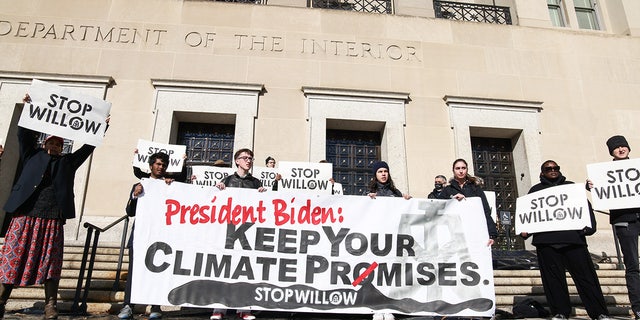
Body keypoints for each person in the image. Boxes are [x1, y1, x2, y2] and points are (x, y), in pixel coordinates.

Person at [0, 96, 108, 320]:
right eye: (52, 142)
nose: (55, 146)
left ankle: (51, 305)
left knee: (50, 263)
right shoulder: (32, 154)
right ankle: (1, 300)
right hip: (25, 214)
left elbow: (87, 149)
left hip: (51, 218)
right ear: (45, 143)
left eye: (59, 144)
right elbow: (23, 135)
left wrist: (101, 127)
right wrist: (29, 109)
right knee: (13, 257)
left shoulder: (67, 162)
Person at [521, 160, 610, 320]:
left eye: (556, 168)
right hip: (547, 243)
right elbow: (529, 213)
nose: (553, 170)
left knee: (587, 279)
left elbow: (586, 207)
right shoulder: (535, 191)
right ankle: (560, 312)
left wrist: (590, 227)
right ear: (542, 172)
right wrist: (524, 230)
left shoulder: (571, 187)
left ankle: (599, 313)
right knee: (553, 281)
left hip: (574, 241)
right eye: (549, 168)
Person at [119, 152, 186, 319]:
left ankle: (155, 307)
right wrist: (135, 195)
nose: (161, 167)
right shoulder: (139, 184)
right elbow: (130, 212)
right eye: (158, 164)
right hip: (140, 237)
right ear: (150, 166)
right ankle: (128, 305)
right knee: (135, 272)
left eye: (163, 165)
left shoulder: (170, 185)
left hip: (162, 238)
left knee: (158, 272)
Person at [588, 135, 640, 318]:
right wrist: (591, 186)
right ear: (612, 152)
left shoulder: (637, 167)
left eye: (623, 146)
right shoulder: (603, 173)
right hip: (624, 221)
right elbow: (602, 190)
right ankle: (638, 307)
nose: (620, 149)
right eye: (616, 148)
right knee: (632, 264)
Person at [212, 148, 266, 320]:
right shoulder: (227, 180)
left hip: (247, 233)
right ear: (237, 161)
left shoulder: (256, 182)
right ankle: (219, 309)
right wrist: (219, 189)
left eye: (250, 158)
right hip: (229, 231)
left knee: (245, 270)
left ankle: (244, 308)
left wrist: (264, 195)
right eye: (245, 158)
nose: (248, 160)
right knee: (224, 269)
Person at [364, 161, 410, 320]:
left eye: (385, 171)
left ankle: (388, 306)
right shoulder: (370, 192)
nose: (383, 174)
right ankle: (377, 307)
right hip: (376, 240)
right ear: (375, 174)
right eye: (380, 171)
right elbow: (361, 213)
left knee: (390, 273)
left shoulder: (395, 192)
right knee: (376, 273)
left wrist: (406, 200)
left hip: (393, 238)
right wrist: (368, 200)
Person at [437, 159, 497, 245]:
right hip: (454, 233)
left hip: (474, 231)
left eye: (463, 168)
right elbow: (438, 208)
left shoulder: (476, 188)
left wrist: (492, 235)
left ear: (467, 169)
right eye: (457, 168)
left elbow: (485, 211)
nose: (461, 171)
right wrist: (452, 201)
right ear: (453, 170)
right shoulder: (447, 190)